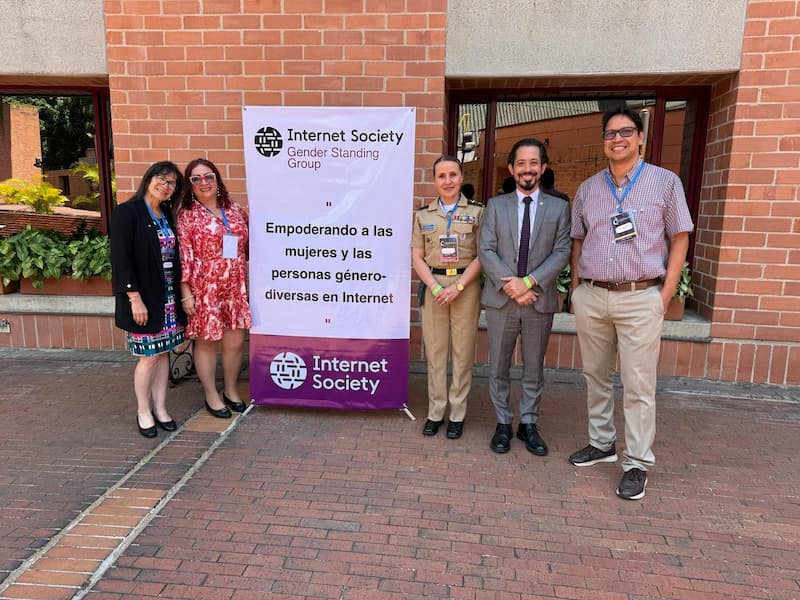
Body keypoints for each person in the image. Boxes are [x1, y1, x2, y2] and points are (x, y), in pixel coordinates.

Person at [568, 105, 694, 500]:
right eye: (609, 134)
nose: (617, 139)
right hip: (593, 294)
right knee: (595, 376)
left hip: (641, 296)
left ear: (639, 137)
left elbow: (680, 236)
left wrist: (666, 293)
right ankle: (602, 443)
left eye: (625, 132)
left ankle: (637, 461)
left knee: (639, 384)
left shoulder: (665, 183)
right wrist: (576, 288)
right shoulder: (588, 188)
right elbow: (577, 239)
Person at [478, 139, 571, 455]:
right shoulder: (495, 205)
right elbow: (486, 249)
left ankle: (528, 424)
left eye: (534, 163)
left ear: (543, 168)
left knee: (533, 368)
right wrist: (511, 286)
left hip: (538, 300)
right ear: (511, 168)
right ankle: (503, 422)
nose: (527, 169)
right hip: (502, 301)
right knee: (498, 367)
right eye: (521, 163)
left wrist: (530, 282)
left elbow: (562, 251)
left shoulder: (559, 207)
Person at [110, 161, 186, 438]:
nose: (166, 186)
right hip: (143, 299)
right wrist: (134, 297)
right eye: (162, 180)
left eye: (172, 183)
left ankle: (161, 408)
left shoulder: (166, 214)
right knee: (149, 357)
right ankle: (144, 411)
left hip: (167, 297)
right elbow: (120, 260)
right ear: (149, 178)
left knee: (163, 353)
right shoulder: (127, 213)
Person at [412, 155, 483, 439]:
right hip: (434, 286)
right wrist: (436, 287)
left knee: (462, 353)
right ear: (434, 180)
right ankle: (436, 411)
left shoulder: (479, 212)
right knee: (436, 352)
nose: (448, 181)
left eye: (453, 174)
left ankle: (457, 414)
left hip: (465, 285)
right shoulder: (423, 215)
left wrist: (460, 286)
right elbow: (417, 256)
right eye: (441, 176)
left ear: (461, 177)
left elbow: (483, 255)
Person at [178, 158, 251, 419]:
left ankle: (231, 390)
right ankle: (211, 394)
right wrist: (186, 293)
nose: (203, 182)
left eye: (208, 176)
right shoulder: (187, 216)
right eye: (195, 179)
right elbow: (184, 256)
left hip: (234, 286)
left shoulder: (234, 210)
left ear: (217, 179)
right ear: (189, 185)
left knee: (233, 342)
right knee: (207, 342)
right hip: (205, 286)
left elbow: (247, 246)